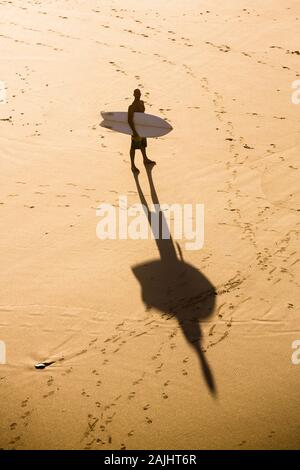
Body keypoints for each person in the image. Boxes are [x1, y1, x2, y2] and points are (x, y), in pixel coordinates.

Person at [128, 89, 155, 173]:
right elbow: (129, 120)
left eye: (139, 94)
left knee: (143, 144)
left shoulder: (142, 103)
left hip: (142, 128)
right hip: (135, 129)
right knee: (133, 147)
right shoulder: (131, 107)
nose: (138, 95)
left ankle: (145, 159)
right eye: (136, 94)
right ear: (133, 95)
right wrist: (134, 132)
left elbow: (143, 116)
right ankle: (132, 165)